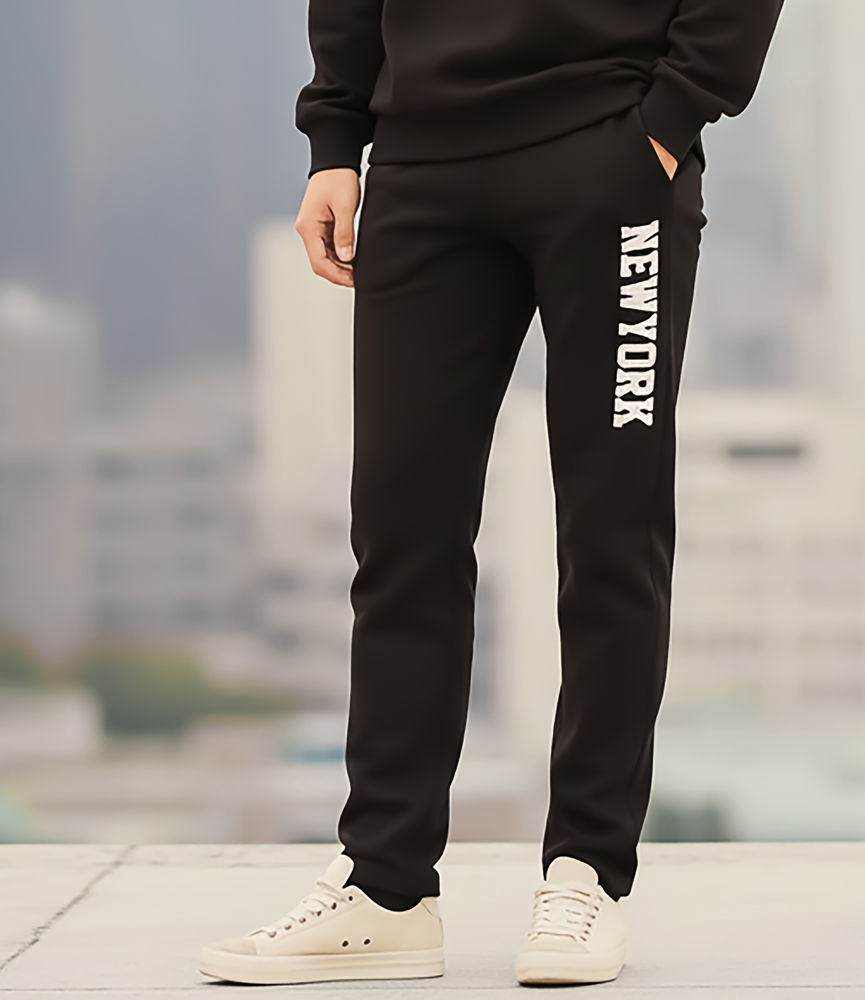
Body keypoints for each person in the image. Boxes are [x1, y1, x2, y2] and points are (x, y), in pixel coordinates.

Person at [200, 0, 782, 986]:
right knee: (402, 535)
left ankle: (585, 873)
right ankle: (385, 887)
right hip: (421, 167)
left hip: (612, 152)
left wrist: (671, 117)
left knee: (611, 534)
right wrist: (335, 140)